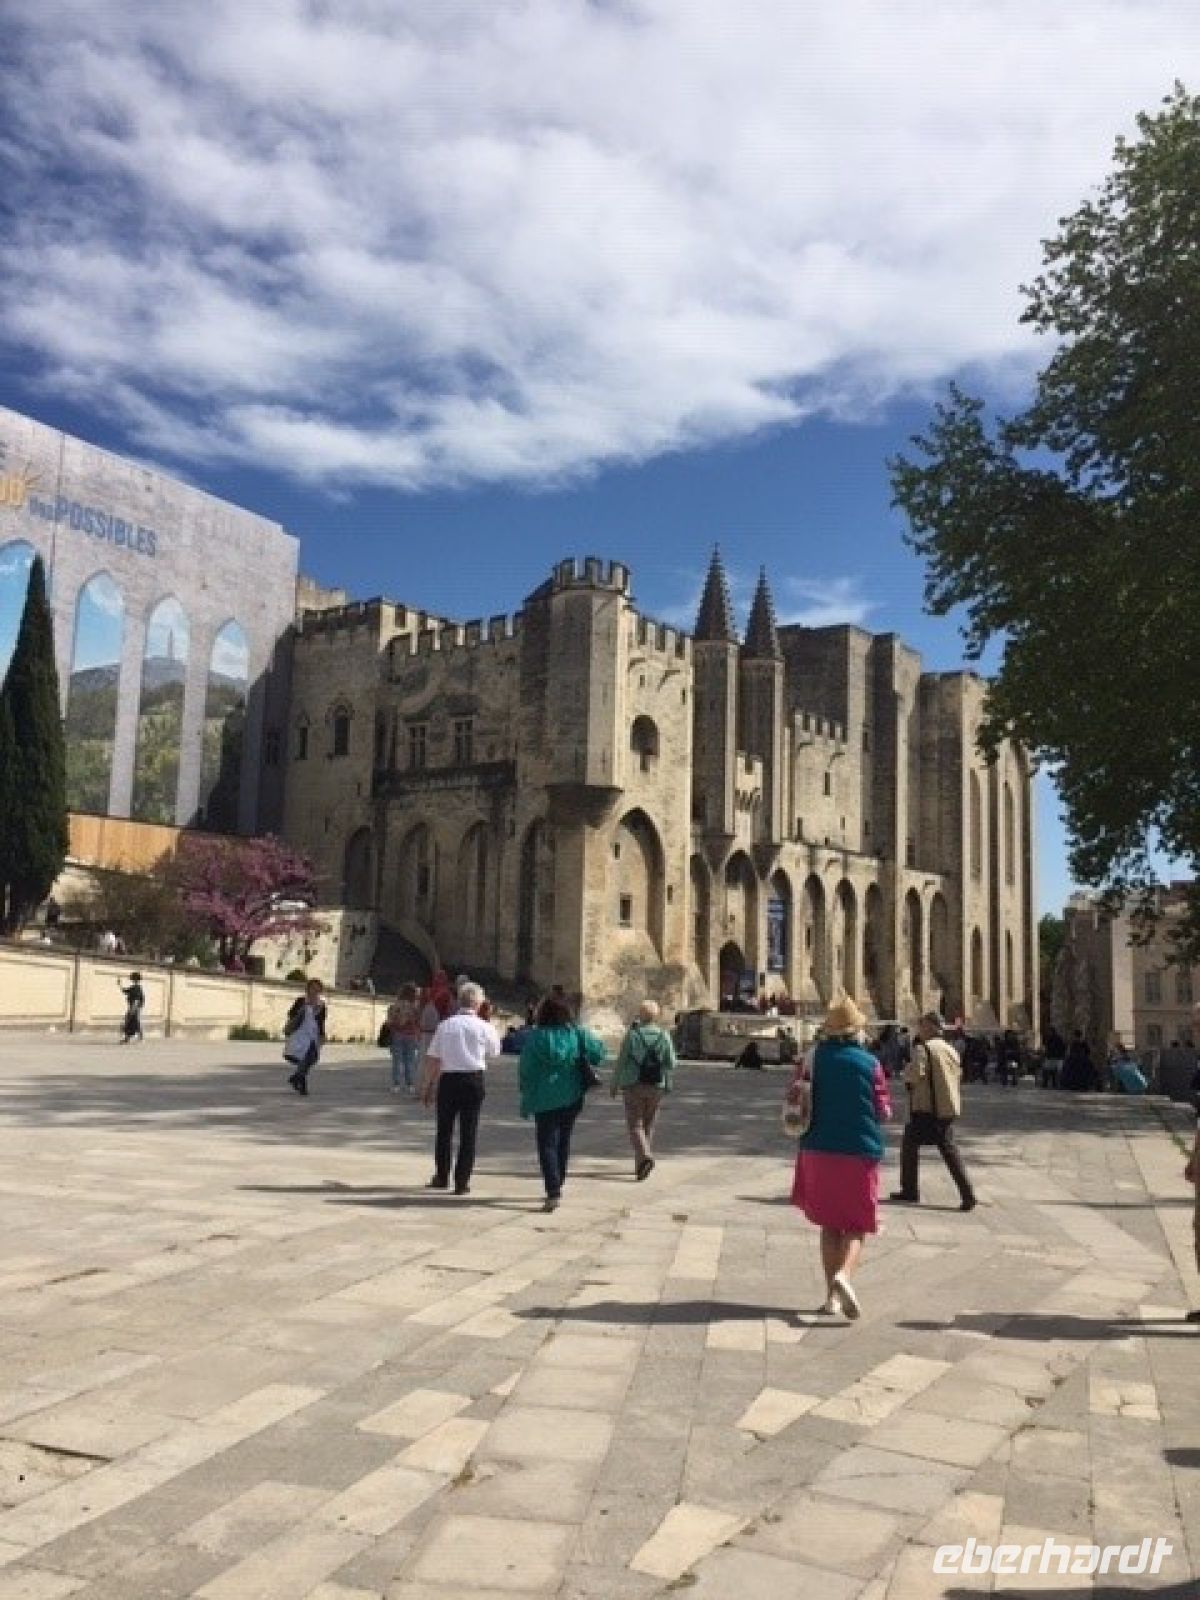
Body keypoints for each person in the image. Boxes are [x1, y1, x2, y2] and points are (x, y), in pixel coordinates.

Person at [790, 995, 891, 1319]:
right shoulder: (870, 1064)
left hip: (817, 1148)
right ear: (856, 1031)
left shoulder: (811, 1058)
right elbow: (882, 1110)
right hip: (858, 1150)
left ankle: (831, 1299)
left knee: (830, 1224)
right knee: (857, 1224)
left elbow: (796, 1095)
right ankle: (844, 1276)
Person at [519, 993, 606, 1211]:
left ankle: (553, 1190)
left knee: (547, 1143)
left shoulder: (535, 1038)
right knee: (564, 1139)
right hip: (571, 1095)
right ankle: (559, 1180)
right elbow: (600, 1053)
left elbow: (526, 1069)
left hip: (543, 1097)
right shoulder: (576, 1033)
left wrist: (526, 1090)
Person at [891, 1010, 977, 1211]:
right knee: (947, 1149)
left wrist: (906, 1072)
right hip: (947, 1106)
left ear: (930, 1027)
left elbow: (915, 1074)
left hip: (926, 1108)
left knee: (911, 1145)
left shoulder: (924, 1049)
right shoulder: (949, 1049)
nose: (919, 1029)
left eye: (921, 1025)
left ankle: (910, 1190)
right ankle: (967, 1194)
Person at [422, 982, 500, 1195]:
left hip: (449, 1079)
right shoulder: (485, 1027)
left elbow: (434, 1058)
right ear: (478, 1004)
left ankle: (442, 1175)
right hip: (473, 1078)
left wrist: (429, 1084)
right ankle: (462, 1181)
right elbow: (494, 1052)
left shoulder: (446, 1025)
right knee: (469, 1132)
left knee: (444, 1131)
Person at [611, 1000, 676, 1181]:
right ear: (657, 1016)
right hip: (656, 1085)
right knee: (648, 1124)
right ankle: (641, 1165)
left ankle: (645, 1157)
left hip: (633, 1084)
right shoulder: (664, 1035)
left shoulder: (633, 1035)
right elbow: (671, 1063)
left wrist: (614, 1083)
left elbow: (621, 1060)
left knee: (635, 1125)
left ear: (640, 1015)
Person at [284, 979, 327, 1095]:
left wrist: (322, 1034)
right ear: (308, 989)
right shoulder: (301, 1001)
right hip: (300, 1032)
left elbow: (321, 1022)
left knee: (312, 1058)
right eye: (313, 988)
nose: (315, 991)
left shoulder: (321, 1005)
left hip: (313, 1034)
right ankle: (301, 1083)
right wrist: (302, 1009)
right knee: (303, 1057)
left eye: (317, 989)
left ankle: (296, 1077)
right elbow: (291, 1014)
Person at [387, 982, 422, 1094]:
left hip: (397, 1034)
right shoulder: (415, 1007)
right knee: (410, 1061)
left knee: (397, 1061)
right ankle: (410, 1084)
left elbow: (389, 1022)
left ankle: (396, 1085)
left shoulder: (395, 1006)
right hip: (411, 1035)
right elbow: (418, 1022)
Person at [119, 973, 145, 1043]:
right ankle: (130, 1038)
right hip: (134, 1007)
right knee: (132, 1022)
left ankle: (140, 1038)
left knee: (132, 1022)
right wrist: (120, 985)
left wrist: (132, 1009)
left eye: (133, 978)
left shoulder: (137, 988)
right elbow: (125, 991)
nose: (132, 980)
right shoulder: (134, 987)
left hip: (134, 1008)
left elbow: (136, 1000)